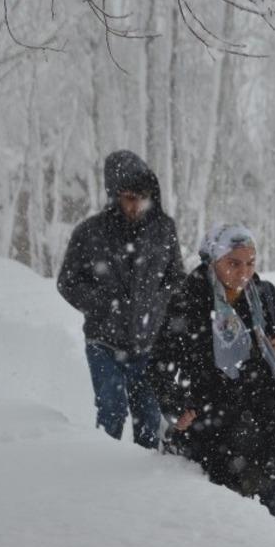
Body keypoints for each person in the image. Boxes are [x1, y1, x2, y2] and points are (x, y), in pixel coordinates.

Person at [150, 224, 275, 526]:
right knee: (224, 518)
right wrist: (175, 407)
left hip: (264, 419)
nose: (244, 272)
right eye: (233, 263)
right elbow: (160, 363)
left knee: (274, 510)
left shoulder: (261, 294)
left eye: (250, 263)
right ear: (212, 260)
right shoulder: (189, 299)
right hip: (212, 427)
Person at [57, 150, 184, 449]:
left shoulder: (164, 230)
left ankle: (145, 488)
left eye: (143, 196)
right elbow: (67, 282)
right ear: (114, 194)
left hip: (148, 344)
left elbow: (176, 279)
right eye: (129, 197)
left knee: (149, 420)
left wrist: (158, 307)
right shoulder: (90, 233)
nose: (136, 204)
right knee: (111, 411)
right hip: (104, 342)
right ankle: (104, 477)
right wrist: (103, 304)